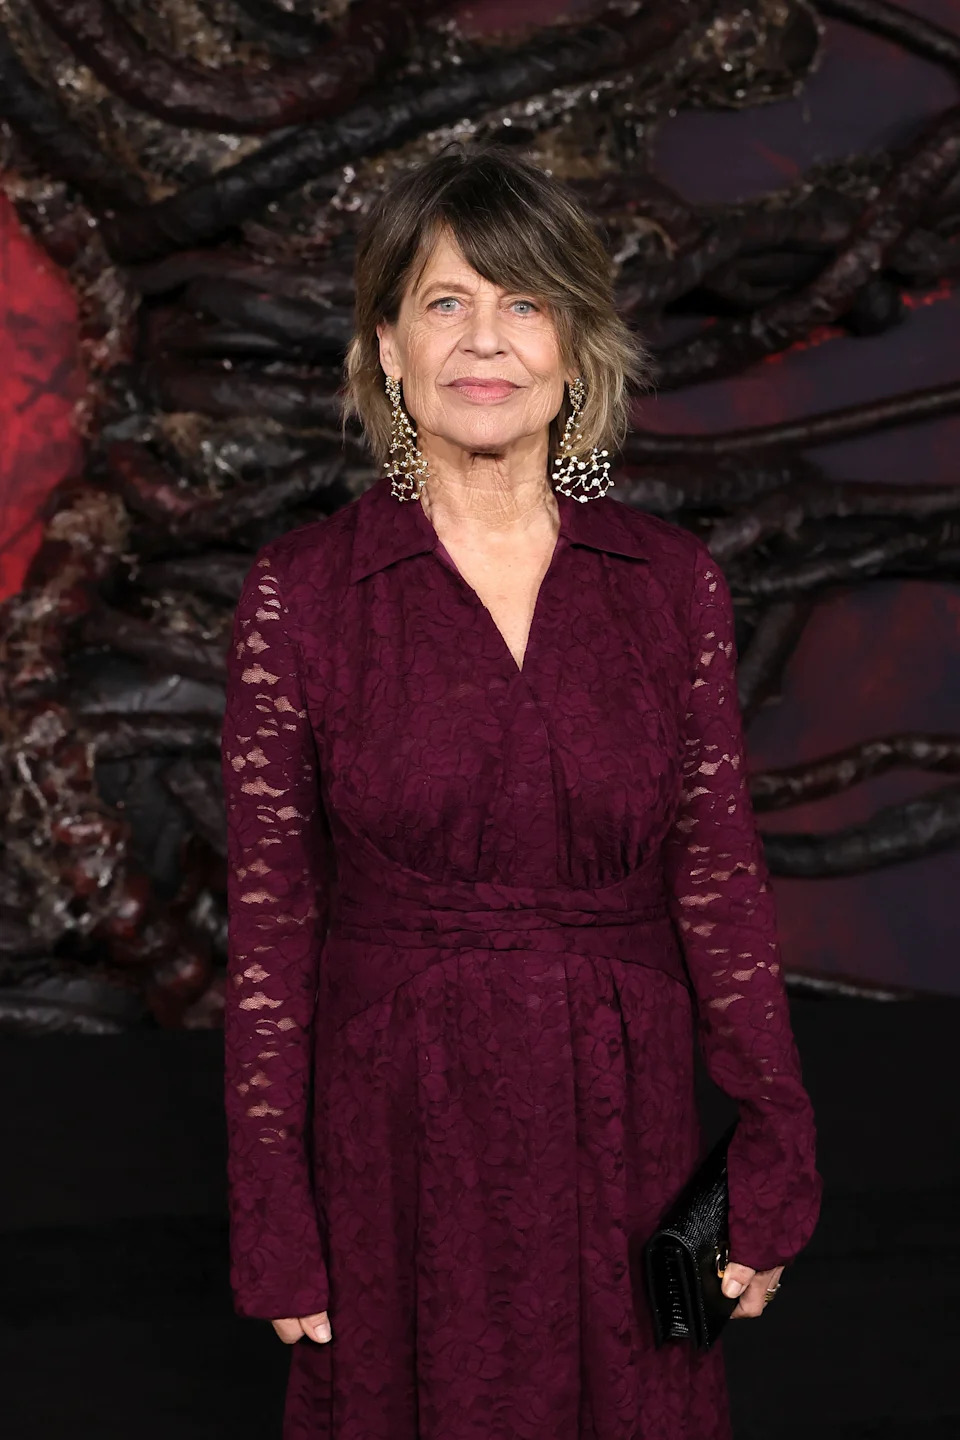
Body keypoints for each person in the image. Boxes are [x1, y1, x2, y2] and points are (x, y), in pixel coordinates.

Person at [221, 146, 822, 1440]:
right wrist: (272, 1210)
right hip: (394, 1128)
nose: (483, 340)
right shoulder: (305, 590)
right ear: (388, 347)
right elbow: (271, 930)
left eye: (524, 302)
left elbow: (720, 890)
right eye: (445, 303)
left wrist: (776, 1151)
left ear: (575, 350)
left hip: (625, 1112)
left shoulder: (668, 585)